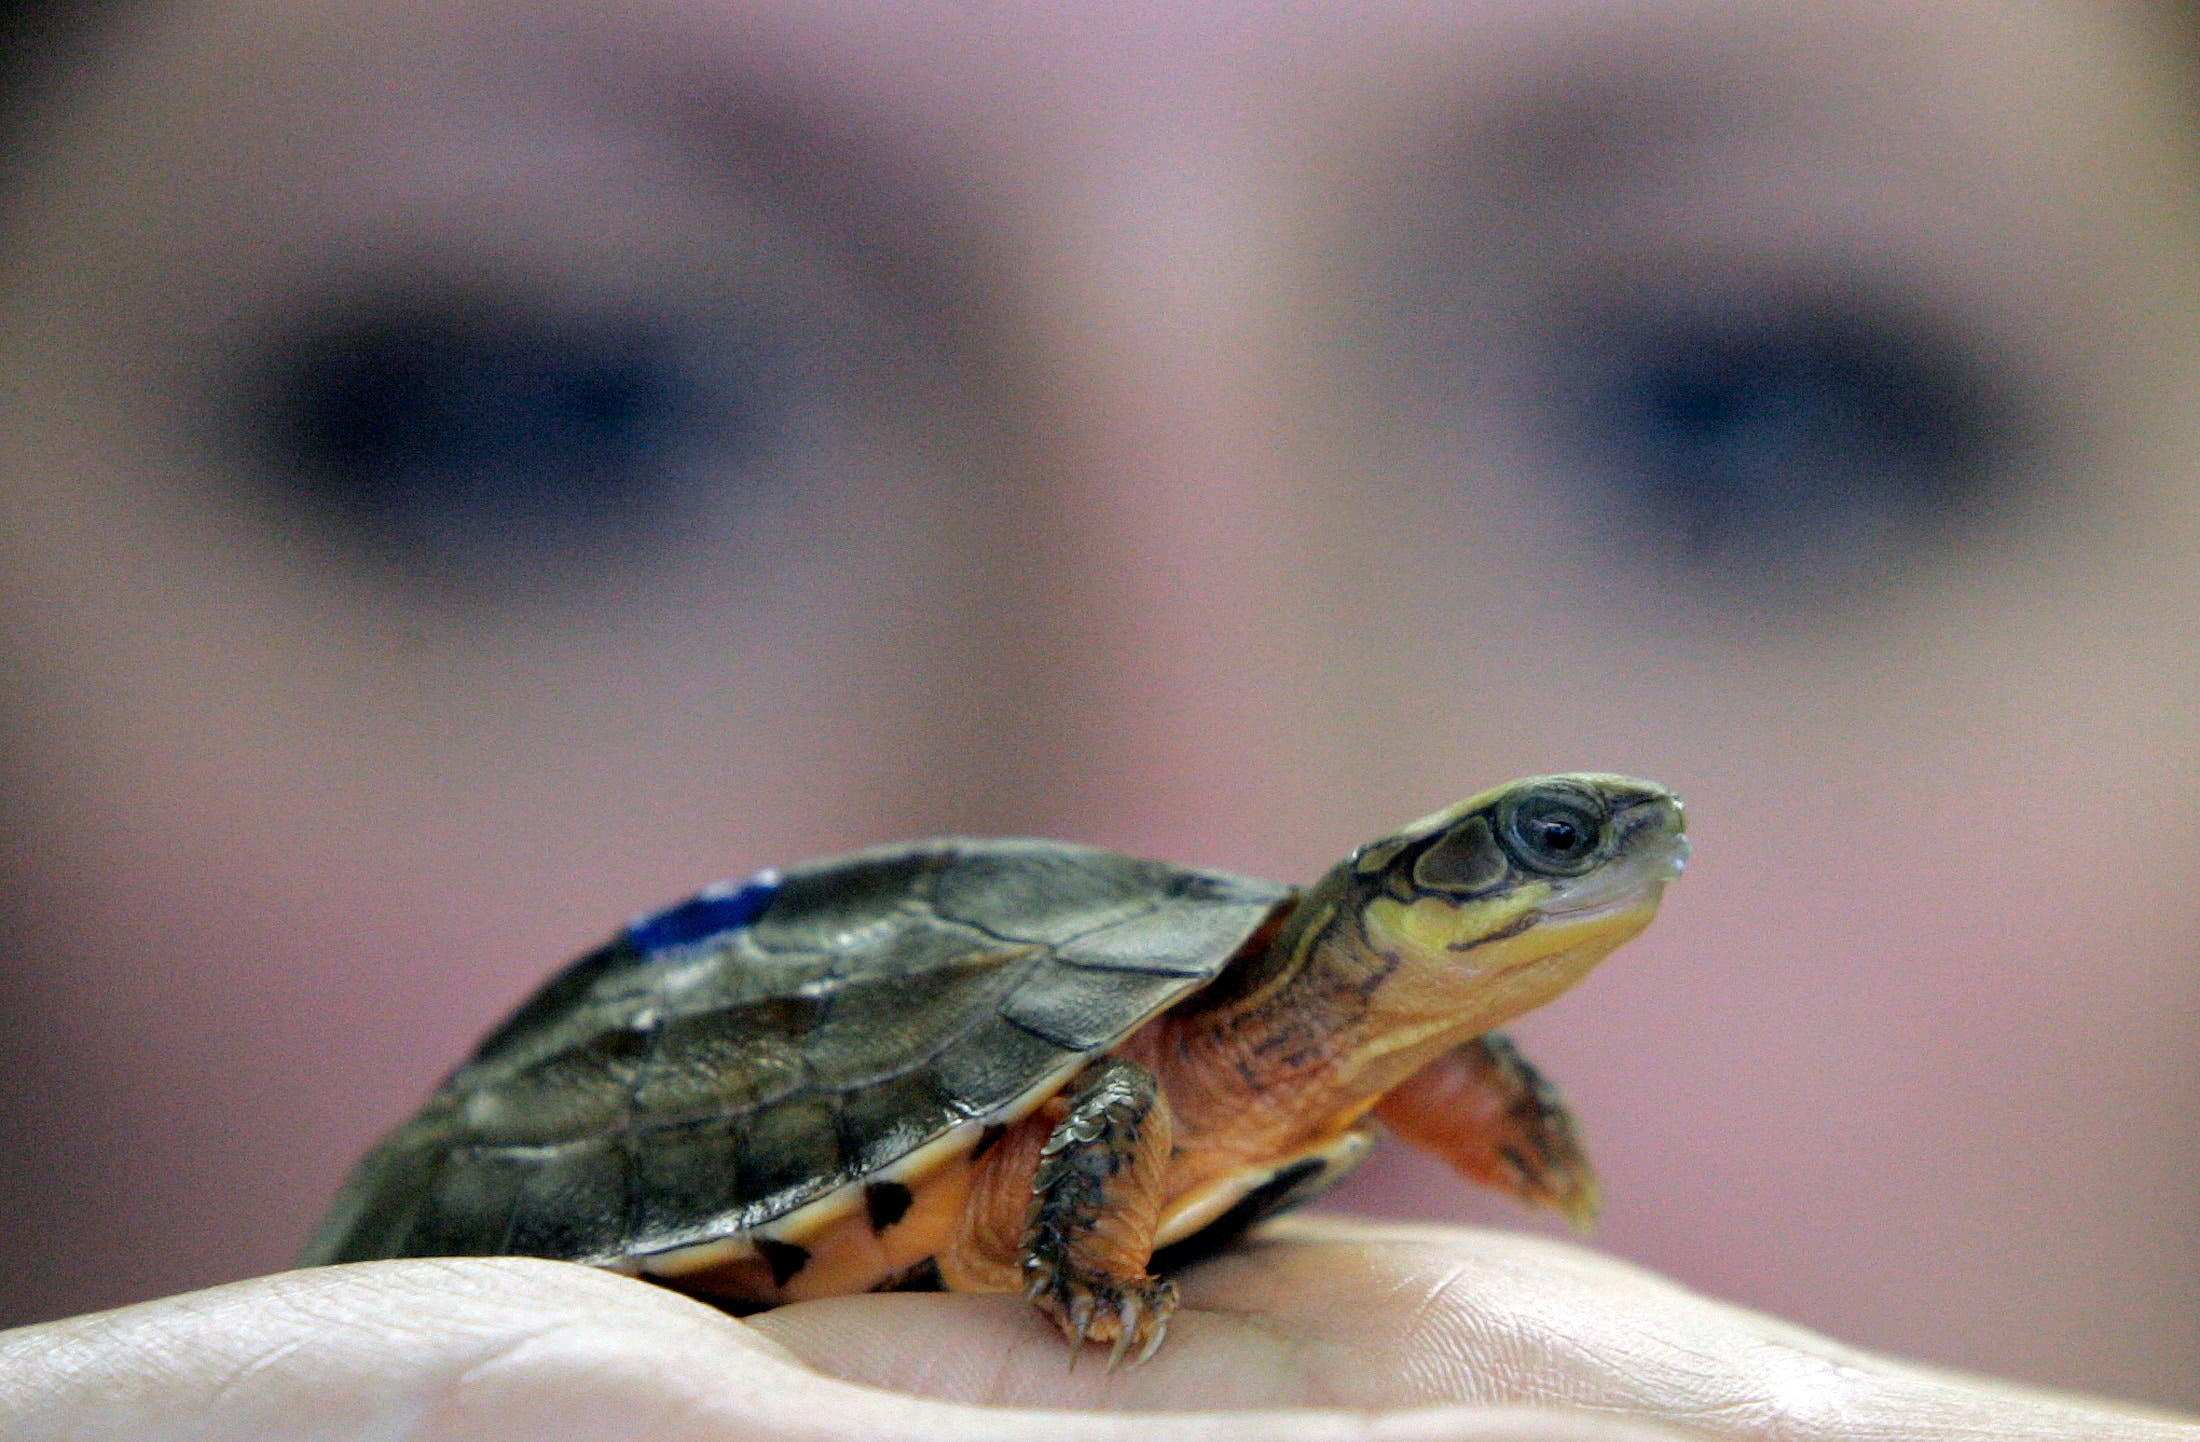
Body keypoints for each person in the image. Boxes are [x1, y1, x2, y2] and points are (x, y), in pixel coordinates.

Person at [2, 0, 2198, 1435]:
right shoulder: (1185, 1059)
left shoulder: (1332, 1050)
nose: (1167, 784)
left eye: (1735, 411)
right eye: (572, 408)